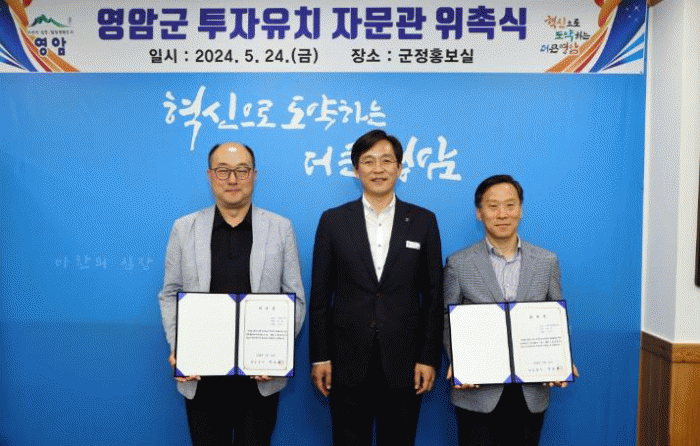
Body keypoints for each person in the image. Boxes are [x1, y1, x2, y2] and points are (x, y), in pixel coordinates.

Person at [158, 142, 306, 446]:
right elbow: (170, 293)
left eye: (242, 170)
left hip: (259, 376)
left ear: (254, 175)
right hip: (201, 373)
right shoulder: (184, 228)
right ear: (210, 175)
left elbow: (295, 297)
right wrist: (179, 346)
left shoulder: (280, 228)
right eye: (223, 170)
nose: (233, 179)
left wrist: (277, 354)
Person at [309, 129, 443, 446]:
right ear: (356, 170)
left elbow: (434, 295)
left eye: (386, 161)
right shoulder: (333, 221)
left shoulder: (423, 221)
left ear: (399, 167)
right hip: (346, 360)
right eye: (369, 161)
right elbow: (320, 296)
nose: (378, 169)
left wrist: (428, 357)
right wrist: (320, 357)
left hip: (405, 362)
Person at [443, 174, 578, 446]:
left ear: (521, 209)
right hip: (477, 392)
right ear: (479, 213)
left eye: (510, 205)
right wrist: (459, 362)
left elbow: (556, 314)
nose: (502, 214)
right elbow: (447, 319)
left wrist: (561, 358)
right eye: (493, 206)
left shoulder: (546, 261)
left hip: (530, 392)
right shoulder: (459, 263)